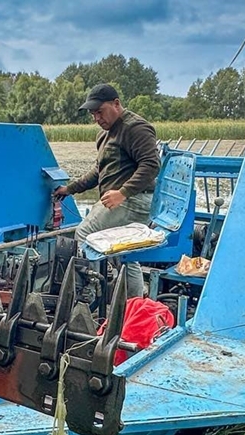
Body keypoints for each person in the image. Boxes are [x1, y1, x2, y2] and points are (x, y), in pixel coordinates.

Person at [53, 83, 161, 297]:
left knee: (84, 233)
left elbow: (151, 165)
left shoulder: (135, 128)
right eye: (93, 114)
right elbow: (98, 171)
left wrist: (122, 193)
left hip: (135, 200)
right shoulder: (104, 135)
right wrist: (70, 189)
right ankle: (134, 302)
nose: (96, 118)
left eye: (100, 112)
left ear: (116, 104)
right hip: (118, 200)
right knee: (122, 253)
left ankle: (89, 291)